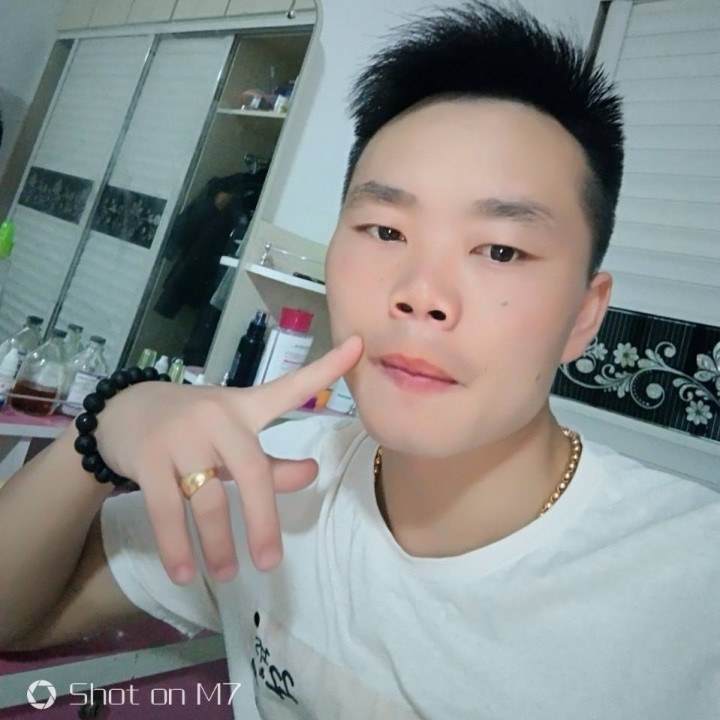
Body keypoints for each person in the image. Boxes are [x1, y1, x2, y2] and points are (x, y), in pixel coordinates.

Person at [1, 3, 718, 718]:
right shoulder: (275, 484)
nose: (421, 294)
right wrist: (106, 424)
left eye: (501, 250)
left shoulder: (691, 587)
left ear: (584, 314)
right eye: (385, 230)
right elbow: (18, 616)